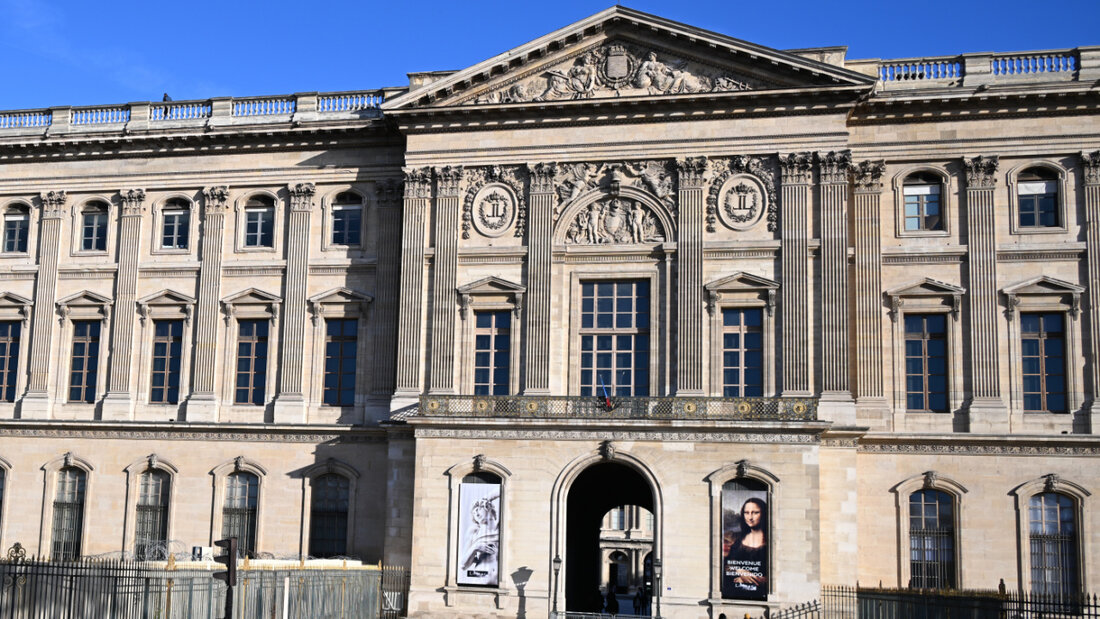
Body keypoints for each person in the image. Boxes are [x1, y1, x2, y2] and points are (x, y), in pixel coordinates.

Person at [721, 497, 768, 599]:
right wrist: (739, 571)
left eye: (755, 513)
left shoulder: (770, 542)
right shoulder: (736, 538)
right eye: (747, 513)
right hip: (733, 592)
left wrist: (748, 578)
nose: (750, 517)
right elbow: (726, 564)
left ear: (763, 514)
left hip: (759, 595)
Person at [459, 494, 499, 584]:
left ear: (487, 507)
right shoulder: (474, 531)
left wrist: (488, 498)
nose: (476, 514)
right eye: (474, 514)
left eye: (477, 510)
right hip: (481, 577)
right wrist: (476, 547)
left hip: (498, 579)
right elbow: (463, 565)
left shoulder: (501, 527)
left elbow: (502, 491)